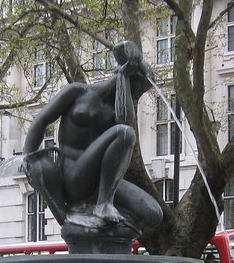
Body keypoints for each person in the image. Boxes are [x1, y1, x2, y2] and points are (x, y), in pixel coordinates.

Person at [22, 40, 163, 236]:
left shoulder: (118, 112)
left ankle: (108, 215)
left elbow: (125, 123)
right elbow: (41, 120)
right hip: (74, 177)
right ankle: (103, 206)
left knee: (154, 215)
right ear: (130, 82)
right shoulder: (78, 92)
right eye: (137, 90)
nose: (136, 96)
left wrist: (124, 77)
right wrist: (28, 158)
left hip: (100, 183)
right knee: (124, 133)